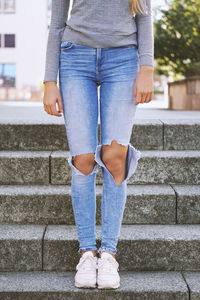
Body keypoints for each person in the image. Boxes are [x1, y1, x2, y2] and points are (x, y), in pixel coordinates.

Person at [43, 0, 154, 290]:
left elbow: (144, 17)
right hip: (74, 59)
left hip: (124, 61)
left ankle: (109, 254)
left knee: (116, 157)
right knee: (83, 160)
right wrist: (48, 82)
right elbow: (57, 23)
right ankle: (87, 252)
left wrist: (147, 68)